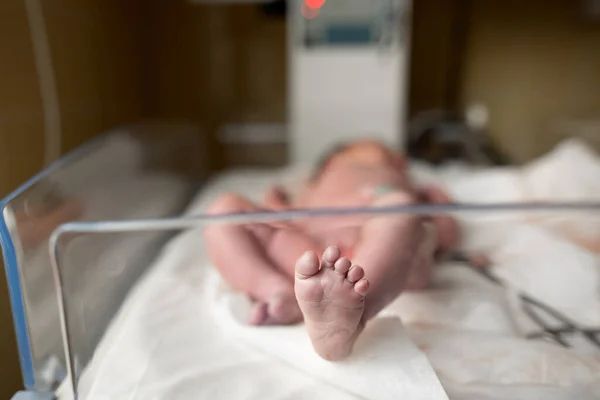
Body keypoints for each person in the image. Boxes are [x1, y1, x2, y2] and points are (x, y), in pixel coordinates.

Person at [204, 140, 459, 361]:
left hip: (387, 258)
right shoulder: (311, 187)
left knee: (400, 208)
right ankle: (278, 292)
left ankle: (352, 314)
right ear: (333, 159)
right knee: (226, 207)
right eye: (376, 147)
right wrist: (275, 204)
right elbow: (282, 220)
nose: (395, 155)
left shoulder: (408, 185)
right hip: (312, 254)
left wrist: (426, 199)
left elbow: (446, 234)